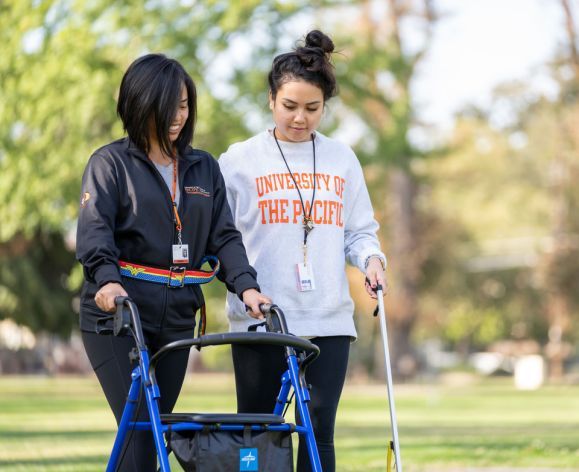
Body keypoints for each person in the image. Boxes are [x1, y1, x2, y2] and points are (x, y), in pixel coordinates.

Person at [76, 53, 269, 471]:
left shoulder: (204, 168)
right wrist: (107, 281)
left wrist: (246, 285)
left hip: (178, 317)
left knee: (151, 430)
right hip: (117, 317)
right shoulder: (110, 164)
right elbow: (95, 234)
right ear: (140, 104)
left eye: (184, 105)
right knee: (144, 430)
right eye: (168, 107)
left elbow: (225, 236)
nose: (178, 116)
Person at [219, 30, 387, 472]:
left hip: (328, 320)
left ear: (324, 106)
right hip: (261, 320)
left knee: (317, 431)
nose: (300, 118)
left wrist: (371, 261)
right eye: (289, 106)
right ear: (271, 99)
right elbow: (221, 238)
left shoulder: (341, 159)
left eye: (312, 109)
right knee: (257, 434)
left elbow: (360, 231)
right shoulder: (238, 160)